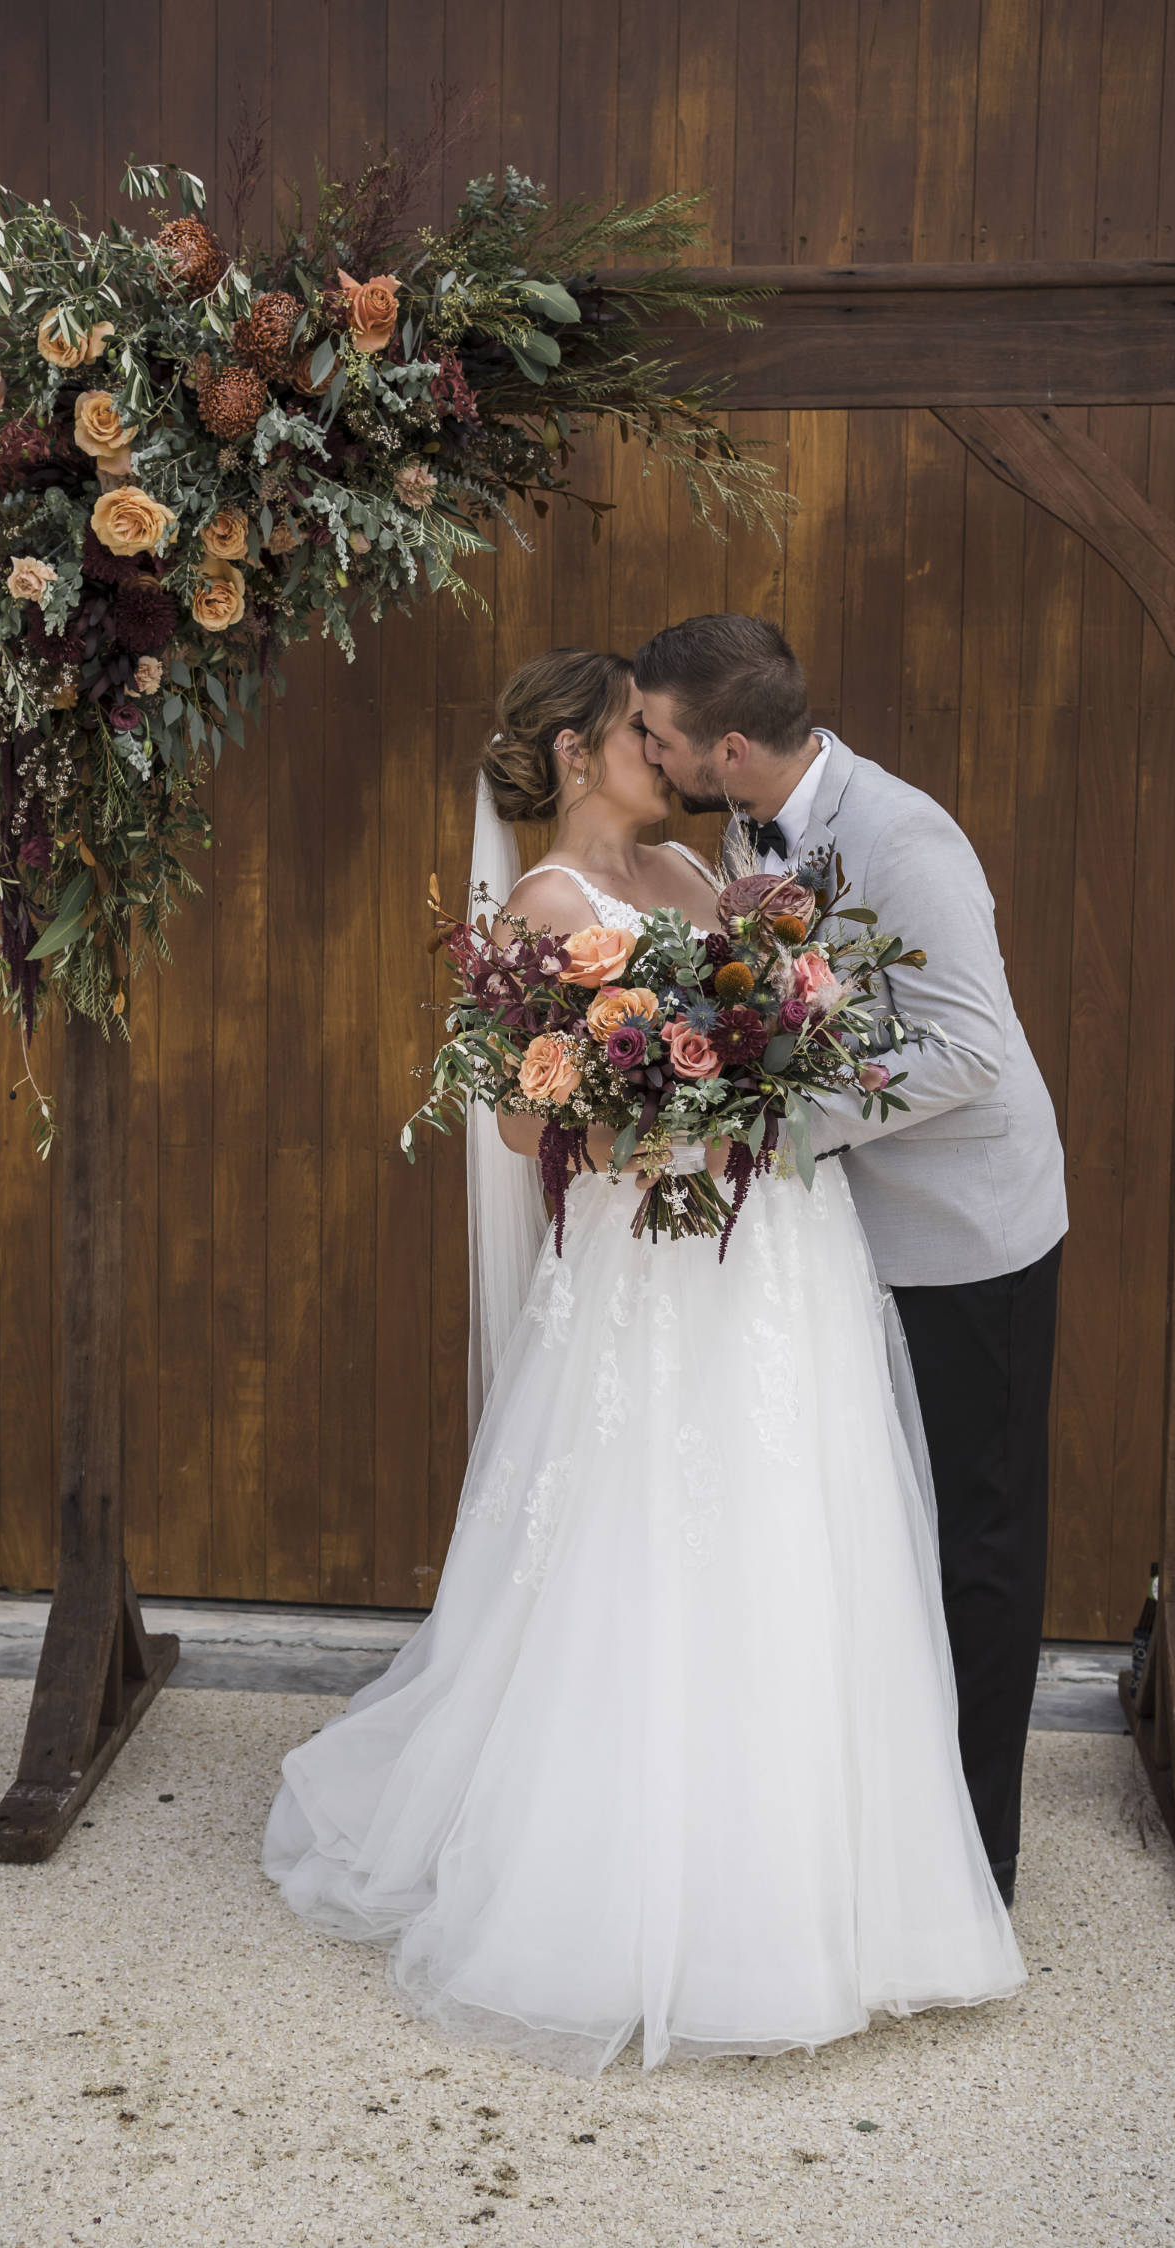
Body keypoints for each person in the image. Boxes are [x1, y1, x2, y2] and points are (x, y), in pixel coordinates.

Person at [263, 647, 1025, 2078]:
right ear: (573, 755)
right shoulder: (548, 907)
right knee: (655, 1554)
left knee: (805, 1539)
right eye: (635, 734)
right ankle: (646, 1888)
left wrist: (772, 1071)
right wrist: (668, 1123)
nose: (662, 760)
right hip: (662, 1275)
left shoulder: (706, 876)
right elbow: (517, 1124)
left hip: (784, 1251)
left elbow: (788, 1031)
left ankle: (830, 1882)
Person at [634, 614, 1068, 1909]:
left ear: (726, 743)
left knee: (979, 1539)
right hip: (856, 1236)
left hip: (968, 1230)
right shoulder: (747, 828)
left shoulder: (904, 835)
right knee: (885, 1529)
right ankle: (895, 1820)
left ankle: (982, 1855)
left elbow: (970, 1051)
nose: (646, 751)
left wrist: (782, 1115)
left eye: (658, 732)